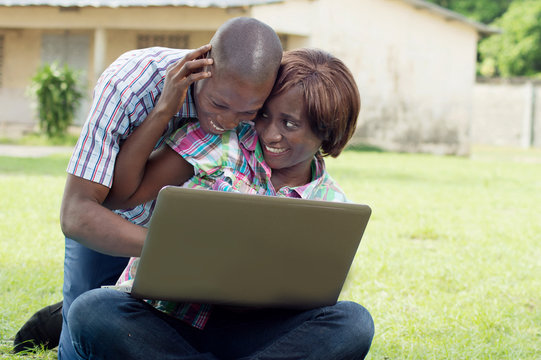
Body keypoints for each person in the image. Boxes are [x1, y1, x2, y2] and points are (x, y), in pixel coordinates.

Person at [68, 48, 374, 359]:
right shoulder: (222, 142)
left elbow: (312, 295)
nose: (270, 133)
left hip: (256, 332)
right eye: (264, 115)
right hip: (170, 320)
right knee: (92, 311)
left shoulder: (332, 205)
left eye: (290, 124)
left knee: (354, 322)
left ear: (326, 131)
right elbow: (125, 195)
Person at [13, 17, 283, 359]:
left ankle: (118, 295)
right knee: (82, 340)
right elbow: (77, 214)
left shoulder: (262, 94)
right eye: (218, 104)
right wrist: (163, 110)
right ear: (205, 67)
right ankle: (74, 308)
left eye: (248, 112)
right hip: (112, 221)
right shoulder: (129, 82)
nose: (227, 123)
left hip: (192, 234)